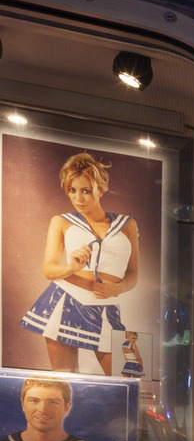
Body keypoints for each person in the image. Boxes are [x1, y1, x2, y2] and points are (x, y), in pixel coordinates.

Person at [20, 151, 139, 375]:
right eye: (72, 190)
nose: (78, 198)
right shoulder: (61, 222)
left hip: (106, 307)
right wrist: (72, 267)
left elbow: (133, 273)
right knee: (65, 381)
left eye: (86, 191)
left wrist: (118, 288)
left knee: (126, 379)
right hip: (66, 300)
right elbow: (49, 269)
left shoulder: (127, 224)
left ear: (101, 190)